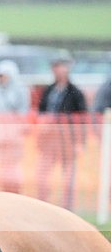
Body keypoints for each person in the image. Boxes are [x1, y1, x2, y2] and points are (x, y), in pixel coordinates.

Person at [36, 59, 87, 210]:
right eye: (55, 67)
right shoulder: (49, 90)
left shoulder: (75, 93)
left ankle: (68, 207)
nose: (57, 71)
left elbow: (82, 119)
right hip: (48, 140)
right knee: (43, 173)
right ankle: (42, 204)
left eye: (60, 67)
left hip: (67, 141)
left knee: (69, 176)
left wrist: (79, 143)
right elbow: (41, 112)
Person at [0, 60, 31, 194]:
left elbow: (22, 112)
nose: (1, 78)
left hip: (14, 134)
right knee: (2, 164)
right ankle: (4, 189)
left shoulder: (20, 90)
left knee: (13, 163)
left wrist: (16, 129)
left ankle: (14, 189)